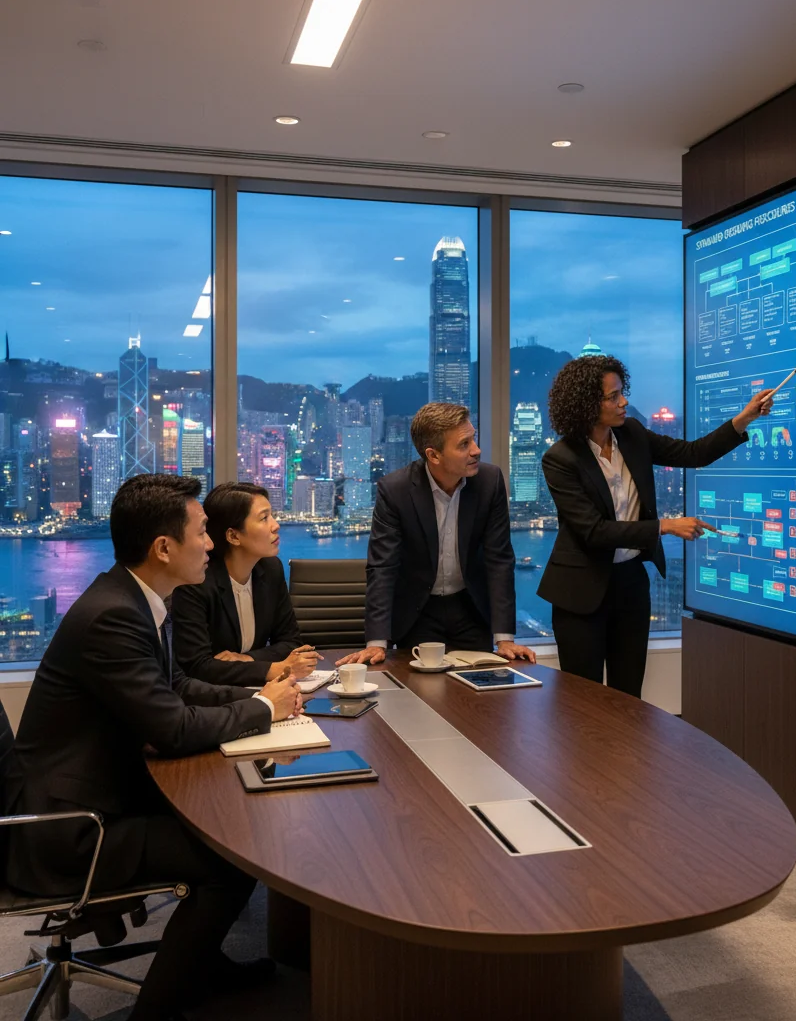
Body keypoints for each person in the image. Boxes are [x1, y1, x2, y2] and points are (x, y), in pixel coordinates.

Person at [4, 474, 302, 1021]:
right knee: (230, 858)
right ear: (163, 547)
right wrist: (262, 711)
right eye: (201, 533)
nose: (210, 543)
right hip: (70, 828)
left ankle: (200, 963)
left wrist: (262, 696)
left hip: (102, 792)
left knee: (233, 820)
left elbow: (176, 689)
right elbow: (171, 728)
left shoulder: (137, 597)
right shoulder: (114, 615)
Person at [538, 355, 774, 699]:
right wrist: (664, 526)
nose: (624, 402)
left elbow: (694, 453)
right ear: (587, 403)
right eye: (614, 396)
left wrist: (744, 418)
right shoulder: (560, 458)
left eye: (623, 392)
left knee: (629, 698)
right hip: (581, 592)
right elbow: (594, 532)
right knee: (582, 704)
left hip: (631, 584)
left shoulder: (631, 434)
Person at [339, 402, 536, 666]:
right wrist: (377, 642)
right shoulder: (395, 490)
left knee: (477, 694)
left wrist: (504, 638)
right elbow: (382, 566)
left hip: (471, 608)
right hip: (418, 612)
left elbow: (499, 559)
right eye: (464, 444)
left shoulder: (490, 482)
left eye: (473, 439)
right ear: (433, 455)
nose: (476, 450)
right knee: (421, 691)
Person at [171, 482, 320, 686]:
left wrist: (249, 659)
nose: (276, 525)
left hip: (255, 687)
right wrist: (272, 668)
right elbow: (197, 666)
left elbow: (291, 643)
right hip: (213, 700)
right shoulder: (197, 581)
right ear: (233, 536)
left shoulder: (270, 569)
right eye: (264, 518)